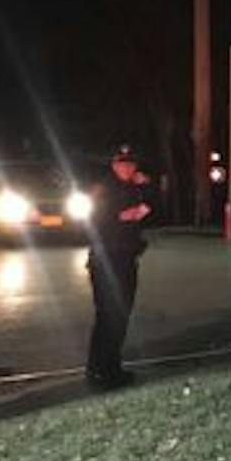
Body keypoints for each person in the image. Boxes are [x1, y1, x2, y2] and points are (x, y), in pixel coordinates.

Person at [86, 145, 155, 389]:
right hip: (107, 261)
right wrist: (120, 217)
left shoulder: (133, 187)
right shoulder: (105, 189)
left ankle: (110, 367)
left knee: (120, 316)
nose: (128, 168)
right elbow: (96, 221)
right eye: (122, 164)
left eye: (131, 164)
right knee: (109, 316)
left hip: (125, 258)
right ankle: (99, 370)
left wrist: (145, 187)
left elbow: (155, 208)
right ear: (114, 165)